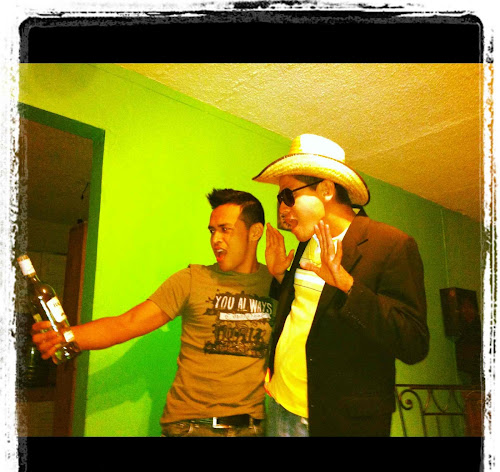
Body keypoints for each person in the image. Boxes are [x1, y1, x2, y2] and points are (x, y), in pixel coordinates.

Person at [31, 189, 276, 437]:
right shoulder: (192, 280)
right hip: (192, 427)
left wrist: (283, 274)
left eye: (225, 229)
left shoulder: (276, 285)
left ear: (255, 232)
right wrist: (67, 336)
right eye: (212, 231)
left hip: (251, 429)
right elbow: (127, 323)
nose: (215, 239)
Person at [253, 134, 430, 437]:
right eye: (279, 199)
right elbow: (307, 313)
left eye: (288, 196)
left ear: (326, 190)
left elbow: (414, 343)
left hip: (340, 421)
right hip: (281, 404)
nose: (281, 209)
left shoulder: (391, 245)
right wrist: (281, 277)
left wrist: (349, 287)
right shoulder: (307, 243)